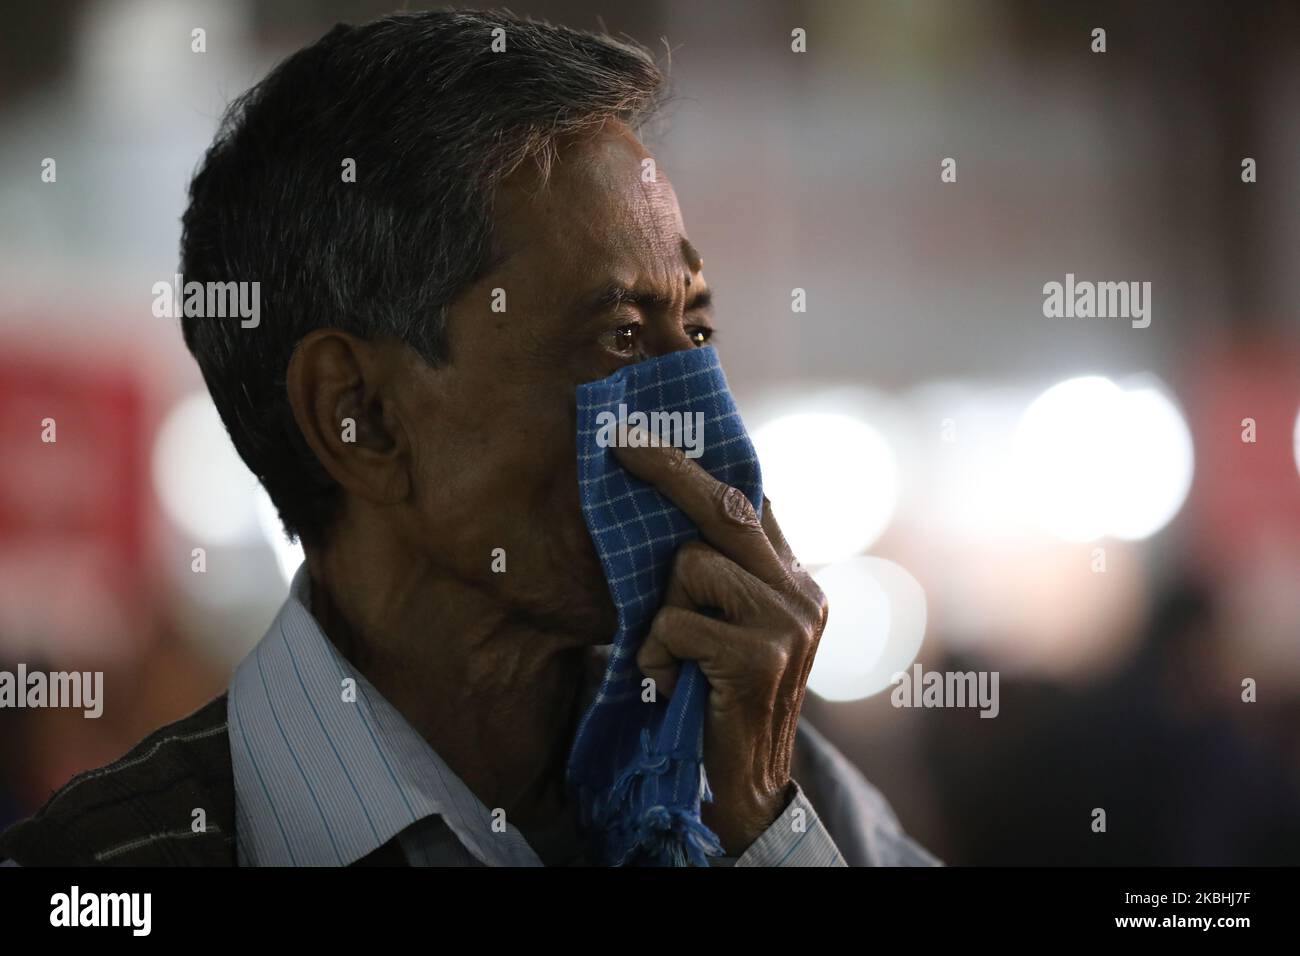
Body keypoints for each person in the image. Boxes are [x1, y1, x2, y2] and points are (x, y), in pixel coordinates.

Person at [0, 10, 935, 867]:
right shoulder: (109, 865)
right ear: (360, 417)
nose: (697, 412)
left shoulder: (769, 787)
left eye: (695, 328)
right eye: (618, 335)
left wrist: (769, 834)